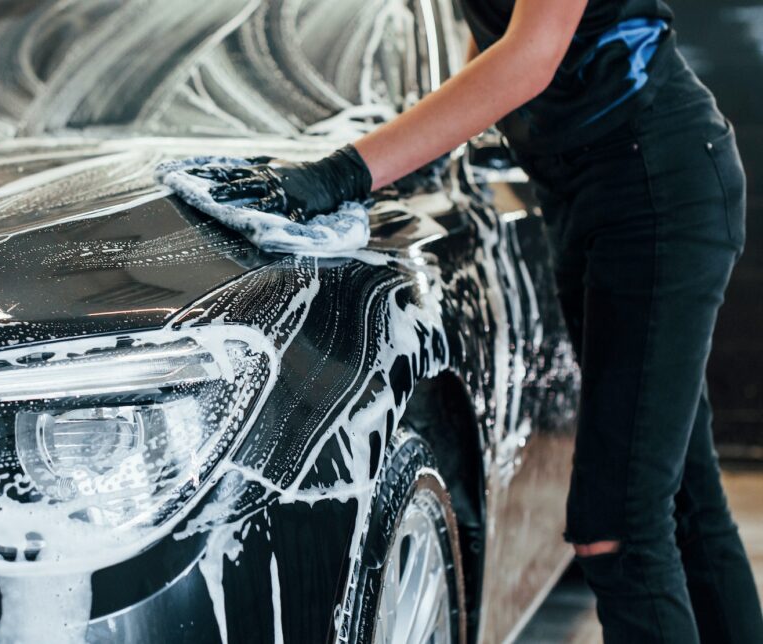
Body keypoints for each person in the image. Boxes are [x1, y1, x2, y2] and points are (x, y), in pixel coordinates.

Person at [189, 0, 759, 641]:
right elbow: (492, 46)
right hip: (589, 193)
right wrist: (421, 151)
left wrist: (345, 171)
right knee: (684, 496)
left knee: (616, 525)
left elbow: (528, 57)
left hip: (655, 185)